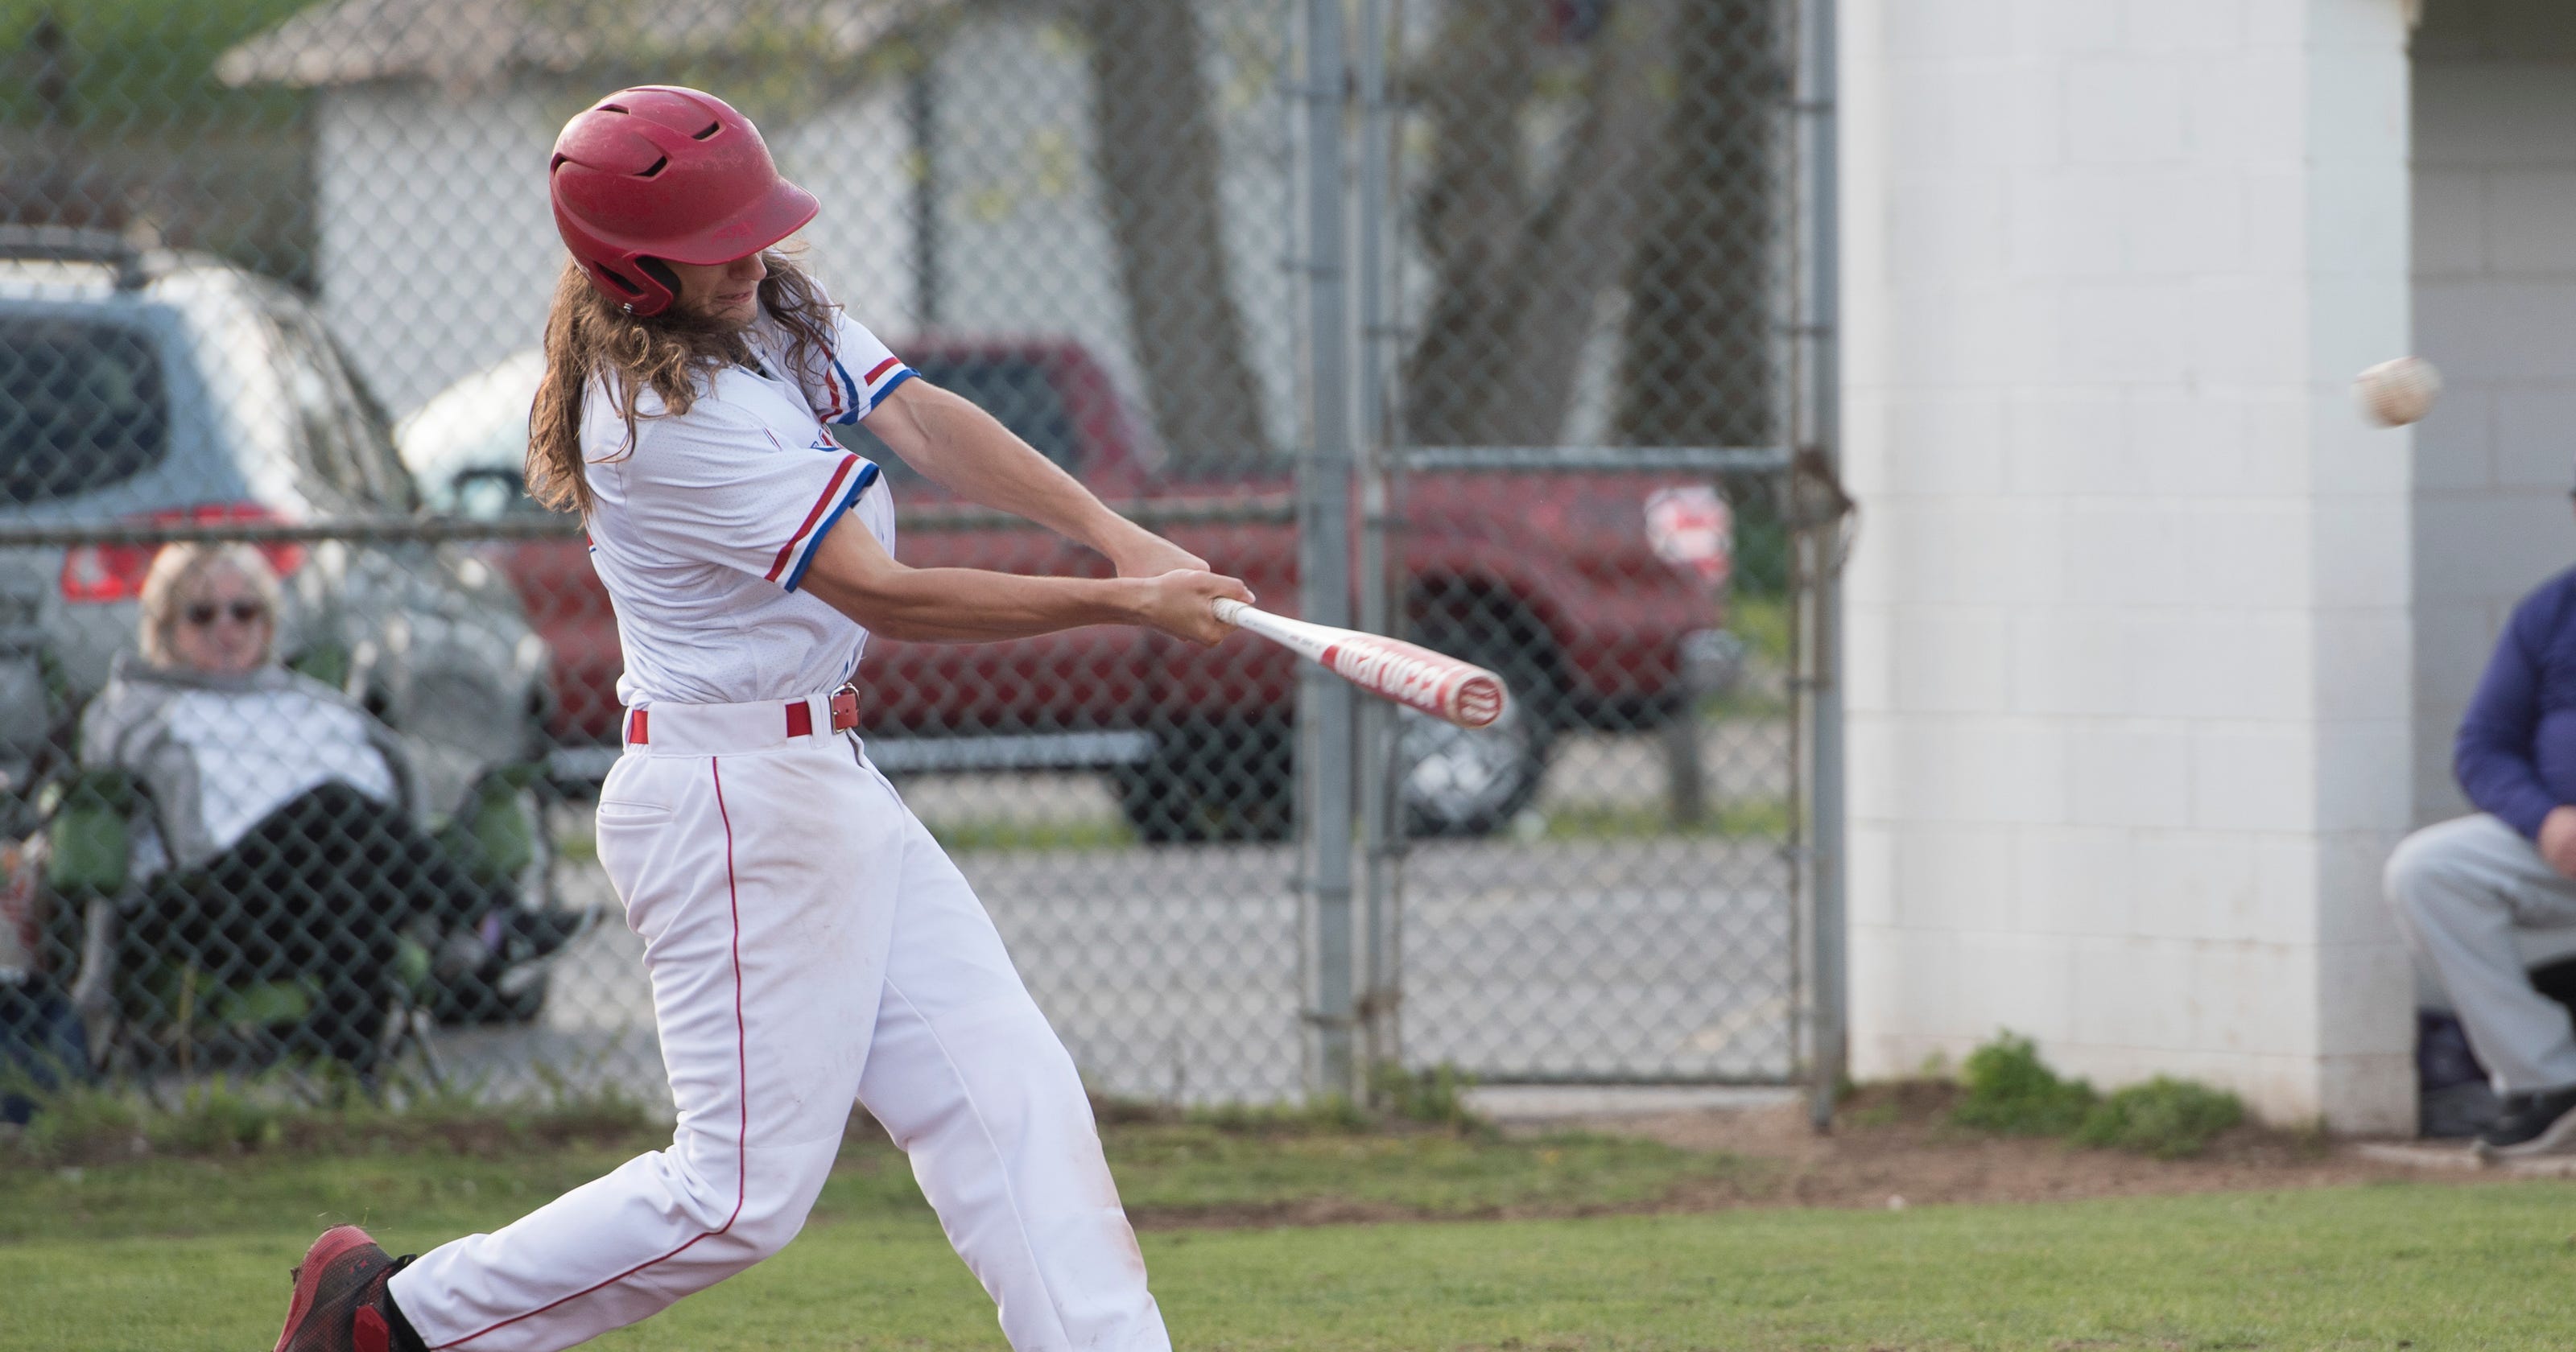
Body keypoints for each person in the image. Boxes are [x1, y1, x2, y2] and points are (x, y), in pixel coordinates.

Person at [270, 86, 1247, 1352]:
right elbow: (882, 594)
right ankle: (391, 1322)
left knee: (1009, 1096)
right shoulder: (659, 423)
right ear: (631, 268)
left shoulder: (762, 306)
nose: (750, 257)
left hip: (817, 775)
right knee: (735, 1199)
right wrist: (1121, 604)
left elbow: (915, 416)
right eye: (714, 242)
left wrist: (1115, 535)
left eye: (751, 226)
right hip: (730, 799)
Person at [76, 543, 497, 1077]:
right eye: (202, 614)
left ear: (268, 622)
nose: (226, 628)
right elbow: (101, 767)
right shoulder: (139, 706)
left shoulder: (313, 703)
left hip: (325, 898)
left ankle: (349, 1079)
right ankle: (485, 919)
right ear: (165, 627)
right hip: (211, 902)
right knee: (336, 806)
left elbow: (399, 783)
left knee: (356, 880)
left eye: (244, 611)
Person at [2388, 472, 2576, 1159]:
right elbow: (2483, 746)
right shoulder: (2553, 609)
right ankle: (2550, 1080)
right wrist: (2545, 819)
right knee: (2429, 869)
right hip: (2561, 844)